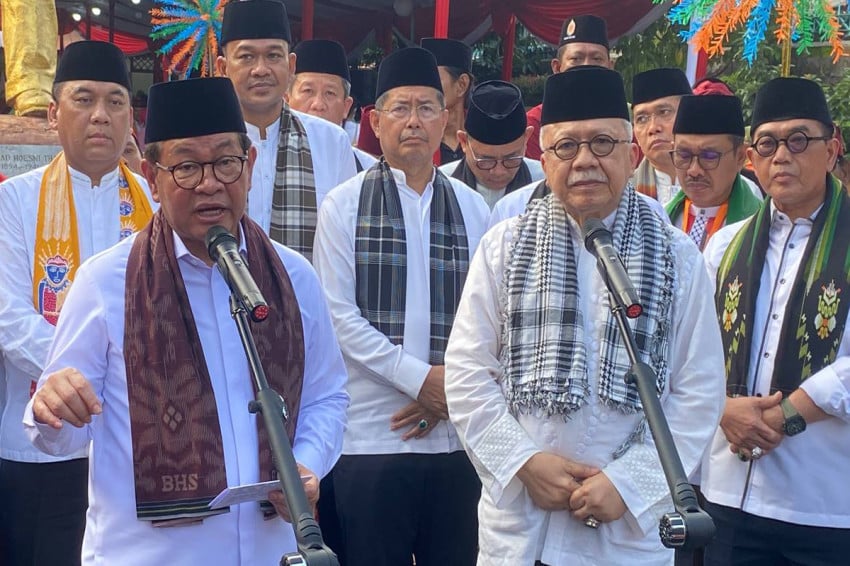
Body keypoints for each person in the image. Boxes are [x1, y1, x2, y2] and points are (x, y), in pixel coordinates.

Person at [23, 76, 349, 565]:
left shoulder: (293, 276)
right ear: (152, 178)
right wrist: (52, 408)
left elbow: (327, 396)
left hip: (271, 551)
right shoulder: (105, 282)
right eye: (187, 167)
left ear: (250, 166)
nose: (210, 183)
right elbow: (60, 435)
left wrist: (305, 464)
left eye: (225, 162)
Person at [444, 66, 725, 565]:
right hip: (522, 526)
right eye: (566, 147)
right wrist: (523, 461)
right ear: (545, 159)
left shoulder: (677, 257)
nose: (584, 161)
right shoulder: (504, 247)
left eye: (601, 143)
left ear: (631, 155)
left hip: (624, 536)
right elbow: (467, 372)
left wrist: (629, 484)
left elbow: (698, 391)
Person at [313, 47, 489, 566]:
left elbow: (487, 319)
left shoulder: (473, 207)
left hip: (455, 439)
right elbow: (338, 317)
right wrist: (421, 381)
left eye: (427, 108)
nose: (414, 121)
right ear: (375, 121)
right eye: (401, 108)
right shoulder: (343, 205)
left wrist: (445, 391)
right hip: (372, 438)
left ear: (446, 119)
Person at [0, 40, 154, 566]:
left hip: (136, 446)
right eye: (84, 99)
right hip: (38, 443)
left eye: (115, 101)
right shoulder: (13, 200)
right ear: (53, 114)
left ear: (130, 119)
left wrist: (110, 385)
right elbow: (8, 316)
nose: (100, 115)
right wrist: (92, 378)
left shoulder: (155, 205)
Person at [701, 77, 850, 565]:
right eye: (767, 143)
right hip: (726, 497)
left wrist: (786, 415)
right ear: (751, 157)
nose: (782, 155)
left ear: (833, 148)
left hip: (825, 503)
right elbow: (691, 351)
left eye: (799, 140)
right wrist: (722, 408)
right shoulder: (725, 246)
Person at [215, 0, 357, 260]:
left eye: (273, 56)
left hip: (305, 286)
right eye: (246, 57)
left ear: (291, 66)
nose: (261, 69)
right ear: (223, 68)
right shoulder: (203, 143)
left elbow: (346, 242)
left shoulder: (331, 142)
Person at [665, 95, 763, 251]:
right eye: (683, 155)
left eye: (709, 157)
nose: (694, 170)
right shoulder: (657, 219)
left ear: (740, 157)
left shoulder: (762, 228)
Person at [438, 80, 543, 209]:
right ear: (464, 142)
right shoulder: (440, 185)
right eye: (486, 160)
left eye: (511, 158)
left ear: (526, 139)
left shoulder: (545, 182)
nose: (498, 172)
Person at [525, 14, 612, 160]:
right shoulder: (534, 124)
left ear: (610, 67)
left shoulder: (623, 121)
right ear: (557, 67)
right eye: (576, 59)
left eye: (597, 59)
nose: (586, 66)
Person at [288, 38, 378, 172]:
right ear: (286, 100)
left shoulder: (368, 171)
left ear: (346, 107)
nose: (318, 105)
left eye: (330, 93)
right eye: (308, 91)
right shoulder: (261, 161)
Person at [631, 67, 692, 206]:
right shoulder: (622, 195)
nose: (653, 128)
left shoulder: (725, 187)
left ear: (690, 115)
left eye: (664, 112)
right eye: (641, 119)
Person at [421, 37, 474, 165]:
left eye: (434, 80)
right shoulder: (418, 138)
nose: (425, 88)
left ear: (461, 85)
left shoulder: (481, 138)